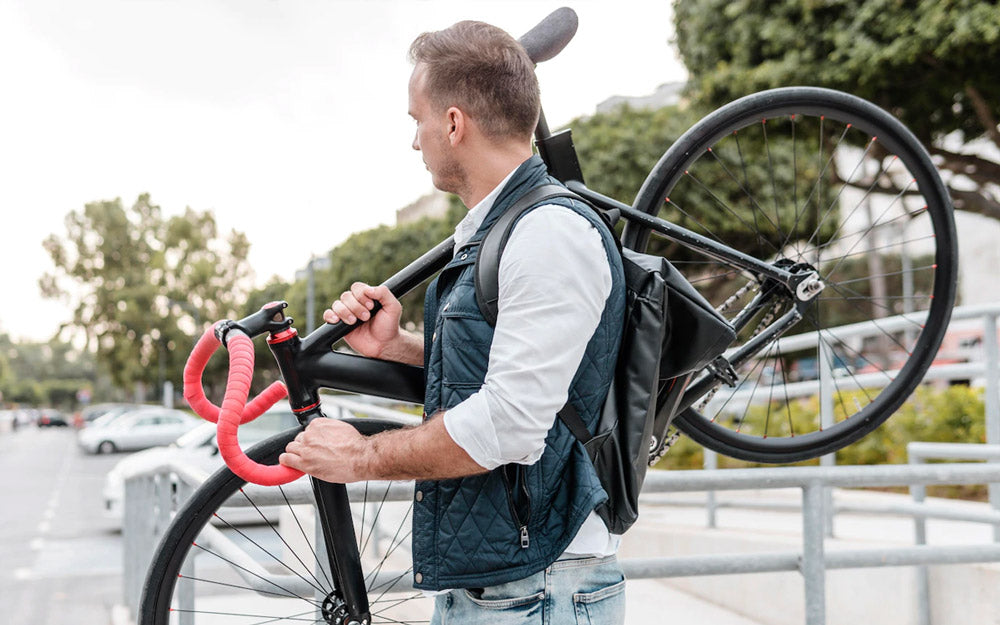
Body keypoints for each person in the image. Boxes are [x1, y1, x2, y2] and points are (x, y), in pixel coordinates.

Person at [279, 19, 627, 624]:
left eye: (417, 120)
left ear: (453, 122)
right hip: (504, 585)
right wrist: (401, 348)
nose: (416, 141)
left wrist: (361, 456)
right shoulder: (499, 232)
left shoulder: (548, 233)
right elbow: (503, 371)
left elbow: (510, 425)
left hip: (539, 589)